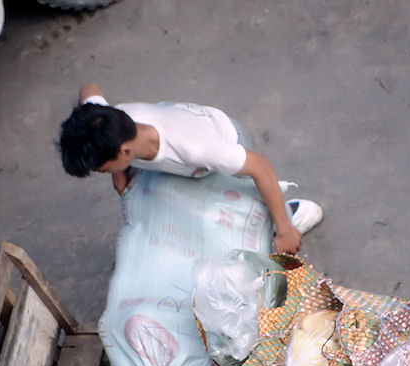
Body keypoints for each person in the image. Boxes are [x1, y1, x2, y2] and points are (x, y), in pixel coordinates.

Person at [57, 82, 322, 254]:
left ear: (125, 151)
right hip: (176, 161)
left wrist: (286, 231)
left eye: (101, 169)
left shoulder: (197, 148)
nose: (100, 173)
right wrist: (117, 171)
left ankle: (286, 217)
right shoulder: (106, 118)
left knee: (216, 226)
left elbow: (260, 167)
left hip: (220, 149)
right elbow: (88, 88)